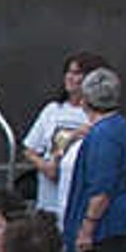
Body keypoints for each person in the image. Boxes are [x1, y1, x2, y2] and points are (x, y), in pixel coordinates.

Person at [66, 66, 126, 252]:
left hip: (102, 229)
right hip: (114, 224)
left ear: (84, 100)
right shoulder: (119, 126)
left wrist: (86, 229)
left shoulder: (104, 136)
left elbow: (101, 188)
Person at [22, 54, 100, 225]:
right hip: (49, 201)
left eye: (78, 73)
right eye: (68, 72)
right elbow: (29, 149)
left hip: (78, 201)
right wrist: (44, 165)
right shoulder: (53, 110)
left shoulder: (97, 115)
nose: (71, 78)